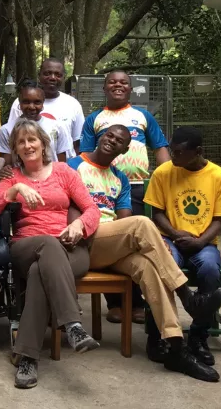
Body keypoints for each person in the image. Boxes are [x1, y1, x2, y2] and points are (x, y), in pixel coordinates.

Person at [68, 125, 221, 382]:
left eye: (120, 140)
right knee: (144, 224)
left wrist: (150, 244)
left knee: (148, 265)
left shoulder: (119, 178)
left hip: (111, 245)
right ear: (99, 136)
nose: (112, 141)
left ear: (125, 150)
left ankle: (176, 348)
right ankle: (188, 296)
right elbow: (66, 208)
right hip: (84, 243)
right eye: (109, 135)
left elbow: (123, 220)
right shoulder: (72, 166)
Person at [0, 119, 101, 389]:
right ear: (15, 148)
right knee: (47, 247)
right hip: (26, 245)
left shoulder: (63, 172)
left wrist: (78, 225)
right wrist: (15, 190)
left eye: (32, 140)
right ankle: (72, 325)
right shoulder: (12, 176)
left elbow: (91, 209)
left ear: (43, 143)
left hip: (69, 247)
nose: (27, 146)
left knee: (41, 272)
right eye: (21, 142)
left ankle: (27, 357)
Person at [79, 70, 171, 323]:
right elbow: (86, 154)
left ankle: (136, 301)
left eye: (123, 83)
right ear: (104, 88)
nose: (117, 85)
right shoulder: (94, 119)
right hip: (104, 189)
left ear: (130, 88)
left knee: (134, 246)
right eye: (112, 82)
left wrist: (166, 179)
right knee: (110, 241)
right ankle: (116, 304)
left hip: (139, 187)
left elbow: (160, 147)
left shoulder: (143, 116)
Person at [144, 126, 221, 368]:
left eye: (178, 153)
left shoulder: (218, 176)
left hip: (203, 241)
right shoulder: (164, 172)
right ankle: (158, 336)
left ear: (198, 152)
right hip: (170, 239)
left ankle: (198, 337)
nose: (173, 157)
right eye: (172, 151)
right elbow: (157, 212)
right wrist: (175, 233)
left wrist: (199, 241)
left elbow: (220, 219)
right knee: (162, 266)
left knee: (209, 268)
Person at [6, 58, 85, 156]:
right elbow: (11, 136)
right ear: (39, 75)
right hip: (27, 165)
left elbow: (78, 143)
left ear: (64, 77)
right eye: (47, 73)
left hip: (64, 165)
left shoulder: (73, 104)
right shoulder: (21, 103)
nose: (52, 78)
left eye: (58, 75)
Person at [0, 80, 72, 165]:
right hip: (20, 177)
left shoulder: (57, 127)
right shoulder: (6, 130)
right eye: (26, 102)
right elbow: (7, 167)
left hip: (52, 176)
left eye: (37, 102)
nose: (31, 107)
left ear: (43, 103)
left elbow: (61, 164)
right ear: (19, 103)